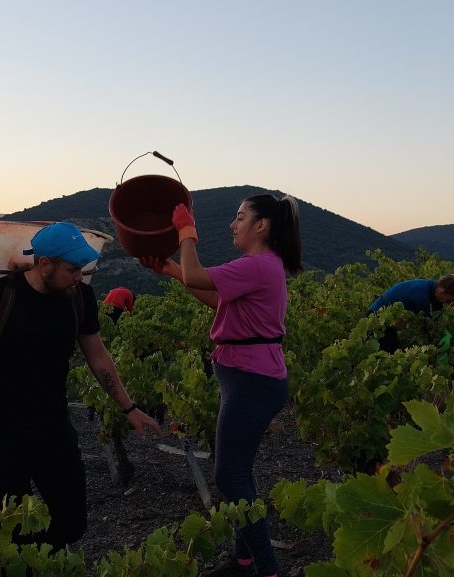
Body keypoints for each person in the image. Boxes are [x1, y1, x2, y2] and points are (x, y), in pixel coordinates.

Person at [0, 221, 161, 551]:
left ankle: (41, 559)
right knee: (15, 529)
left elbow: (98, 357)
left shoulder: (81, 298)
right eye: (73, 269)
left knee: (72, 521)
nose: (80, 276)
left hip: (53, 427)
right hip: (2, 433)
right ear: (45, 264)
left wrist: (129, 407)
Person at [141, 194, 302, 577]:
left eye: (240, 217)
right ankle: (243, 561)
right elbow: (214, 299)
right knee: (238, 474)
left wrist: (186, 231)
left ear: (261, 226)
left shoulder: (259, 264)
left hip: (252, 380)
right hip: (249, 377)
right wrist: (167, 269)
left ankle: (267, 570)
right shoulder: (260, 266)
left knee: (230, 477)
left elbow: (197, 275)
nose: (233, 224)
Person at [367, 274, 454, 353]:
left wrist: (445, 333)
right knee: (383, 353)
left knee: (392, 349)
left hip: (389, 321)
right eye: (449, 300)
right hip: (376, 317)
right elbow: (427, 324)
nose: (449, 304)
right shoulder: (421, 294)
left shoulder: (434, 290)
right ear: (442, 291)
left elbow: (437, 319)